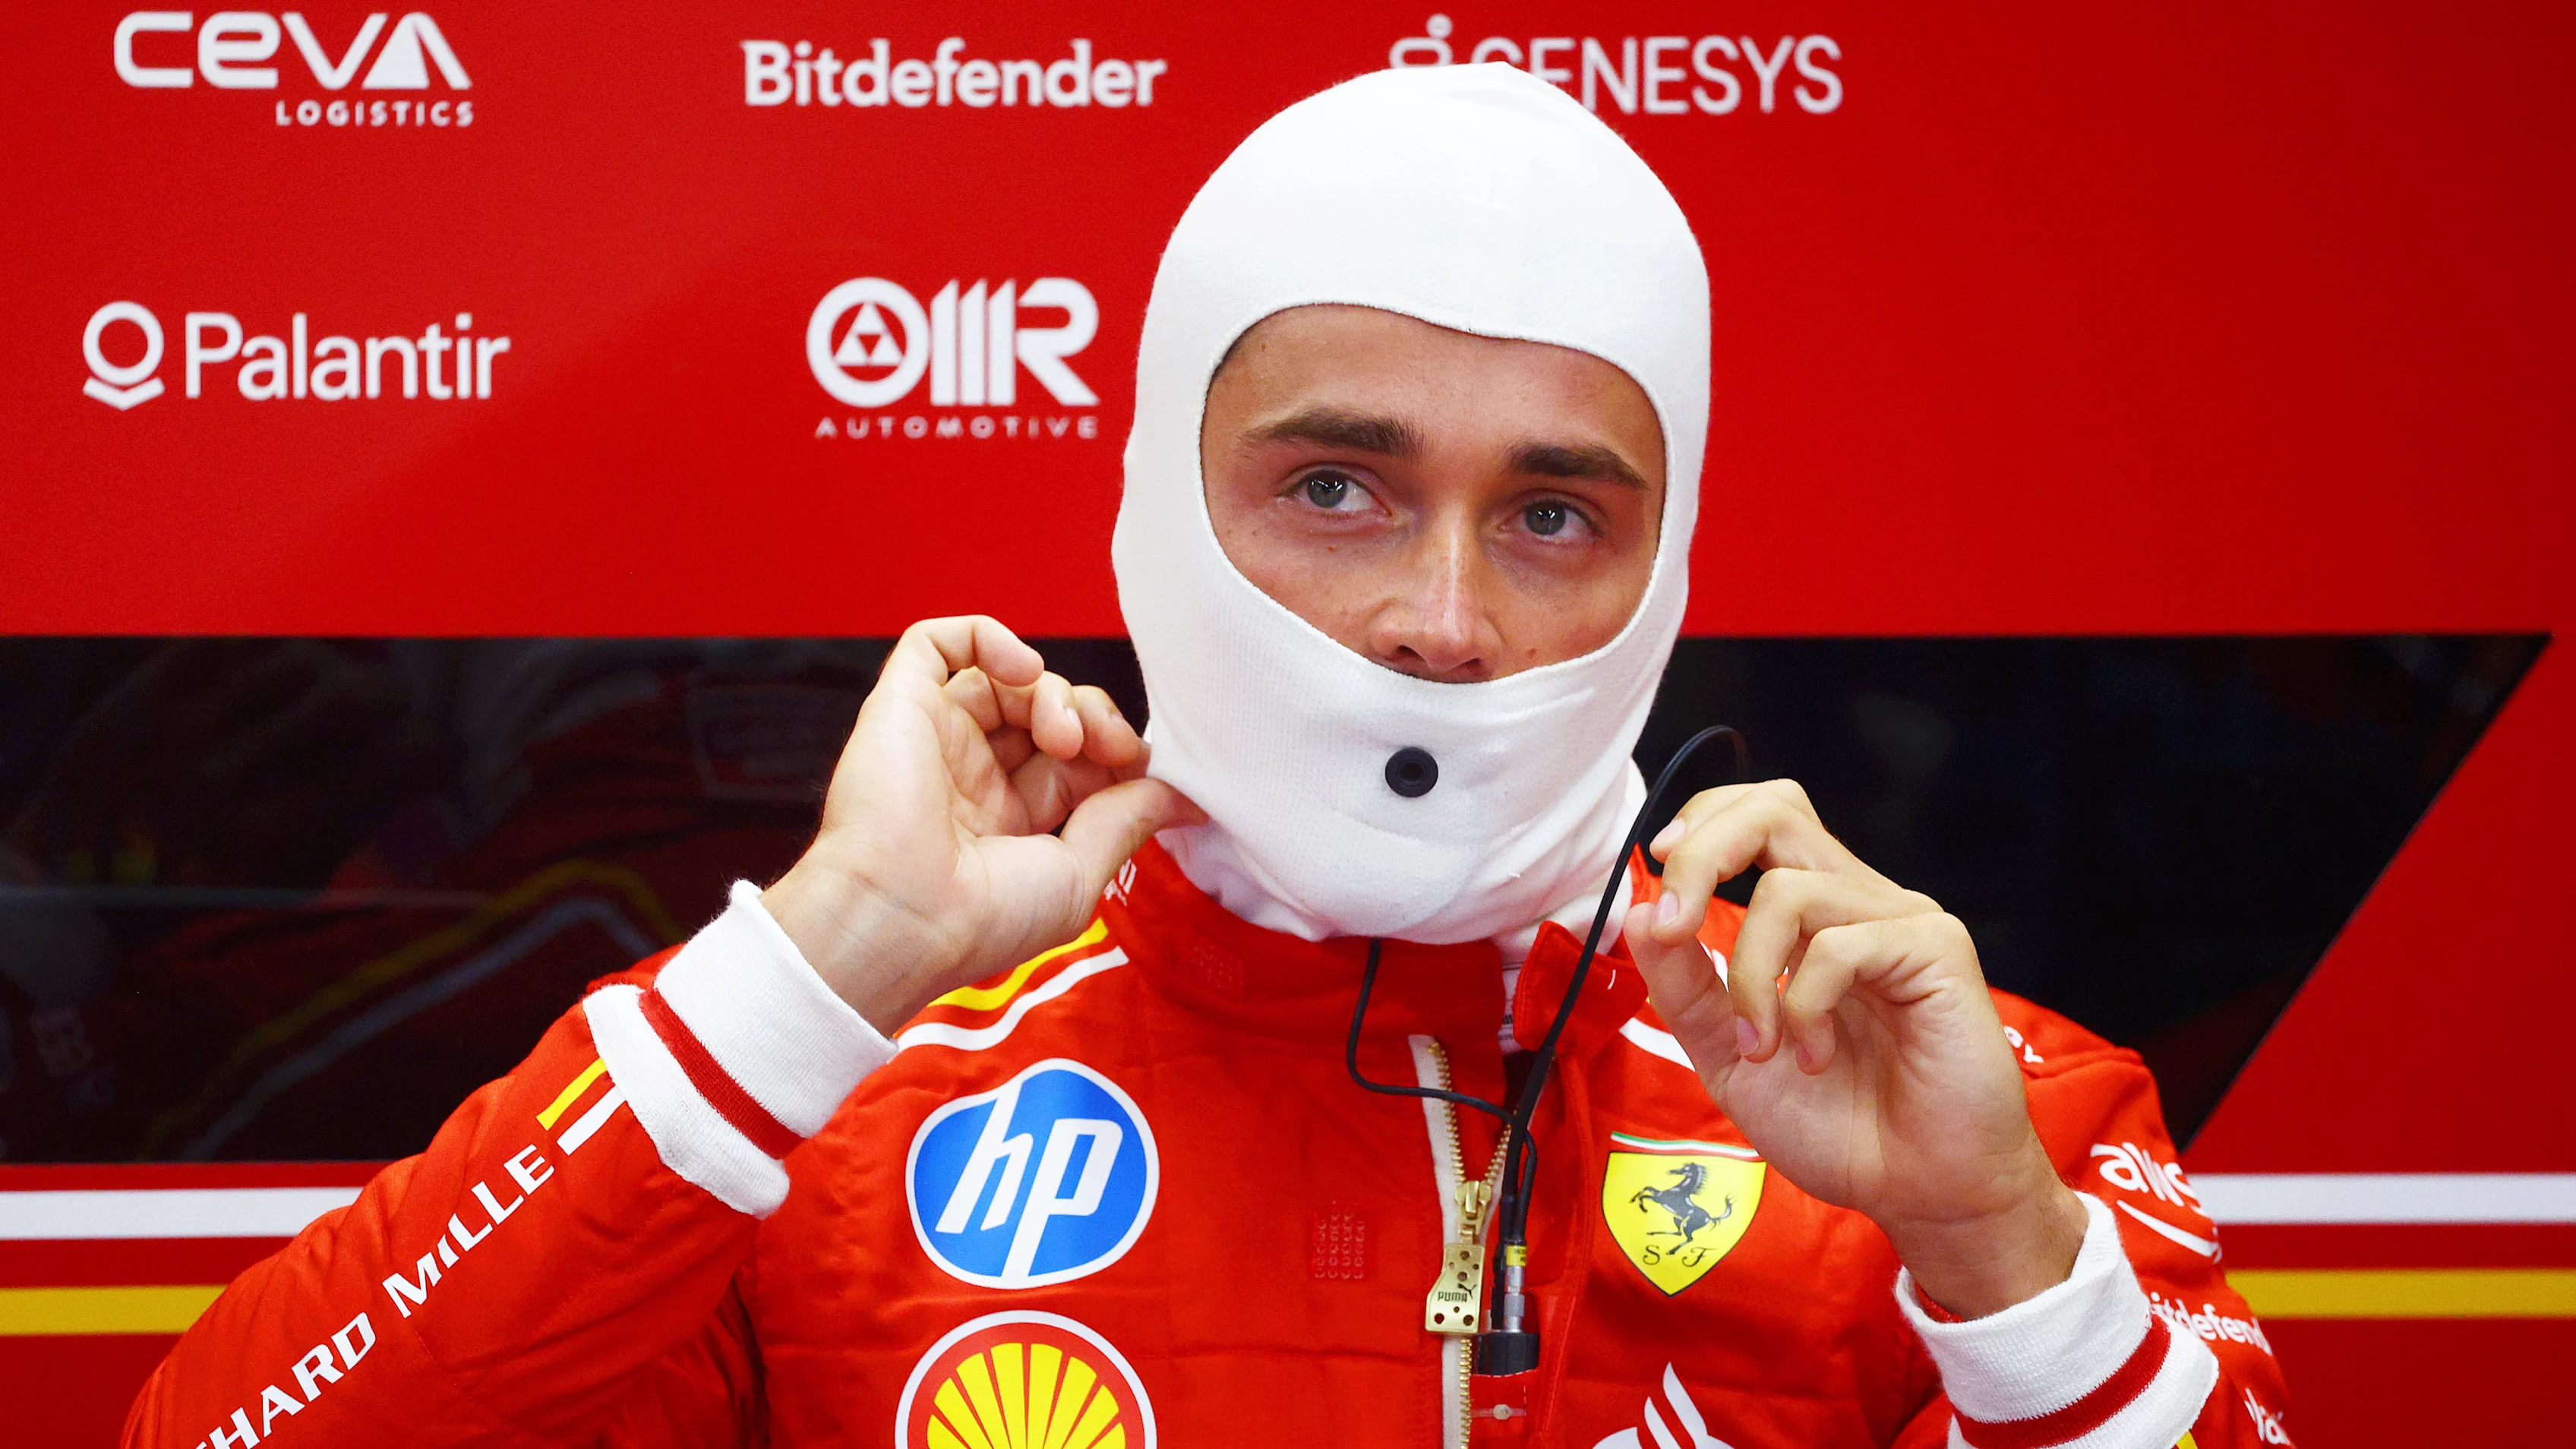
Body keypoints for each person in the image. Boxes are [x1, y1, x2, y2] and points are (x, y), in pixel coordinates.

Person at [122, 65, 2288, 1449]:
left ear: (1668, 558)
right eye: (1336, 485)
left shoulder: (1964, 1119)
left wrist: (2005, 1260)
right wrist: (825, 958)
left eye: (1553, 513)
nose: (1442, 613)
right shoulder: (827, 1106)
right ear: (1159, 508)